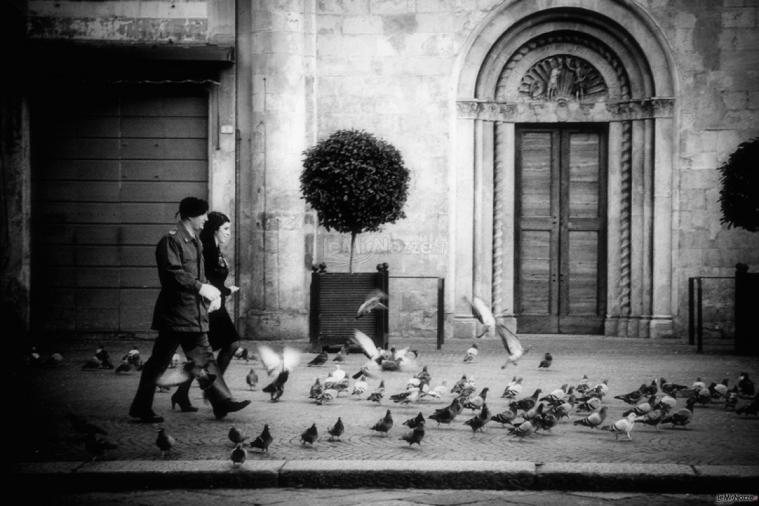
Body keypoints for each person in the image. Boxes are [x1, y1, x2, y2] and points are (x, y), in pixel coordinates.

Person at [128, 197, 250, 422]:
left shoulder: (196, 242)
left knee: (204, 358)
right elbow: (172, 273)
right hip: (176, 314)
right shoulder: (171, 241)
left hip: (194, 314)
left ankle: (222, 401)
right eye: (202, 215)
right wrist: (200, 287)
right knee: (160, 362)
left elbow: (200, 275)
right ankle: (141, 406)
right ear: (190, 216)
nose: (206, 219)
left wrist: (210, 294)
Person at [172, 211, 240, 404]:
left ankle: (183, 394)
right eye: (225, 229)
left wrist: (226, 290)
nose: (228, 233)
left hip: (216, 305)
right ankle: (215, 392)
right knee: (227, 346)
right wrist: (224, 291)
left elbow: (214, 279)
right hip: (209, 307)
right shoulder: (208, 249)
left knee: (204, 356)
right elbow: (203, 279)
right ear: (214, 230)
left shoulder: (215, 248)